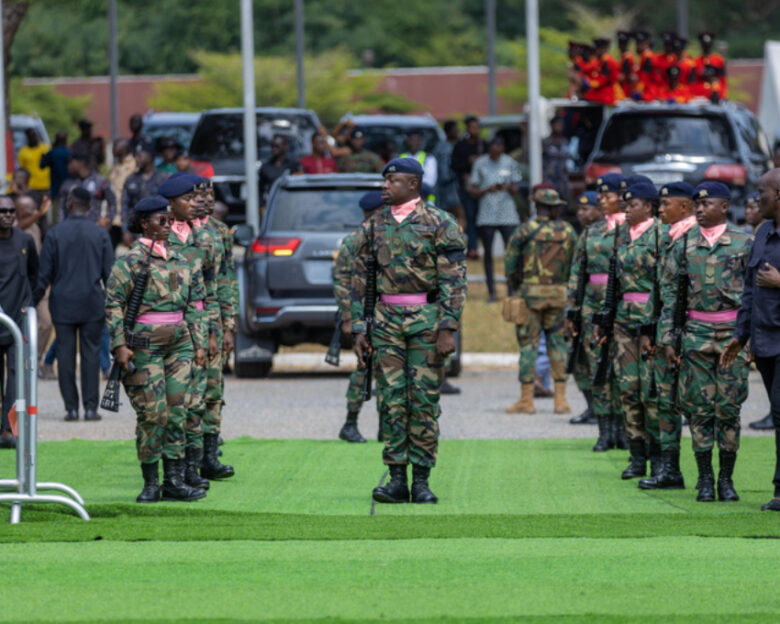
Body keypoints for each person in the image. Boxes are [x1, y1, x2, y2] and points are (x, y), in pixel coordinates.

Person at [351, 157, 466, 504]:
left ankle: (422, 480)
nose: (385, 186)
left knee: (424, 401)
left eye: (393, 181)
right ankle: (397, 478)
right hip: (385, 322)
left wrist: (448, 327)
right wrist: (360, 327)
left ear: (413, 184)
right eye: (384, 181)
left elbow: (454, 281)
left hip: (426, 323)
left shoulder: (440, 223)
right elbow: (360, 281)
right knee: (391, 400)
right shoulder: (374, 226)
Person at [105, 194, 206, 503]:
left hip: (180, 344)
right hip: (143, 347)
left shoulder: (181, 259)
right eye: (161, 221)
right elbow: (113, 306)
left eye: (169, 220)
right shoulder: (129, 262)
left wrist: (199, 342)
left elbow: (195, 304)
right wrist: (119, 345)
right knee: (153, 414)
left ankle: (174, 481)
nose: (167, 225)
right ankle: (151, 483)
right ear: (144, 224)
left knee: (178, 412)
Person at [659, 182, 751, 502]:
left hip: (732, 338)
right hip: (696, 335)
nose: (699, 210)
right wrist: (668, 339)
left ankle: (726, 479)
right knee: (699, 409)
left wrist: (750, 337)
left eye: (706, 204)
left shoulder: (743, 242)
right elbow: (670, 295)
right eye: (696, 205)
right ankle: (704, 479)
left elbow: (753, 295)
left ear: (723, 207)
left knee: (728, 407)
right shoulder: (684, 244)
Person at [160, 174, 233, 486]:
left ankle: (200, 459)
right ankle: (172, 472)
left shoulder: (210, 234)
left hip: (203, 322)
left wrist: (222, 327)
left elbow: (217, 285)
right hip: (171, 326)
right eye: (192, 197)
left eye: (204, 196)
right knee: (175, 401)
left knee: (204, 394)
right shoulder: (161, 234)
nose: (199, 202)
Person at [724, 168, 780, 511]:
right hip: (764, 341)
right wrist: (740, 335)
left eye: (762, 191)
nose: (757, 197)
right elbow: (748, 291)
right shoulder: (761, 233)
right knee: (777, 412)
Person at [34, 188, 113, 422]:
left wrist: (32, 300)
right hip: (91, 301)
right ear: (90, 208)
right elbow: (110, 273)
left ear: (69, 204)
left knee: (65, 356)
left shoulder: (55, 233)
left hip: (63, 301)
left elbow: (43, 273)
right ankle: (90, 408)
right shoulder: (99, 234)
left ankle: (71, 408)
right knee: (91, 353)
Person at [637, 181, 697, 490]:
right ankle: (669, 470)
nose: (660, 209)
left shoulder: (695, 239)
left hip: (690, 335)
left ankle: (711, 478)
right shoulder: (671, 238)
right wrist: (649, 329)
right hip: (664, 333)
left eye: (666, 204)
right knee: (664, 401)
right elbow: (659, 290)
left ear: (685, 207)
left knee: (696, 404)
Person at [603, 182, 660, 480]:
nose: (626, 208)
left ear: (649, 207)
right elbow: (614, 282)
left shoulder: (661, 234)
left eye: (633, 204)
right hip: (624, 322)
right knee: (628, 388)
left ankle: (660, 459)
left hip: (650, 323)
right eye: (625, 203)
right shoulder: (621, 234)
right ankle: (637, 456)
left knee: (651, 390)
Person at [504, 188, 576, 415]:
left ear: (536, 207)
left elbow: (510, 266)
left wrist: (519, 285)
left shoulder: (524, 231)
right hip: (558, 296)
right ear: (553, 207)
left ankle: (526, 401)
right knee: (557, 346)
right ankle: (561, 400)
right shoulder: (567, 230)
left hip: (530, 296)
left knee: (528, 346)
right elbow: (575, 263)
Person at [333, 190, 385, 443]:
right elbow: (343, 280)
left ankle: (386, 425)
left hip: (387, 312)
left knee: (389, 370)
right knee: (364, 369)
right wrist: (349, 316)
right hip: (363, 311)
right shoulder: (355, 240)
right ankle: (350, 423)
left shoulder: (388, 236)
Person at [193, 177, 236, 479]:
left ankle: (209, 454)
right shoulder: (175, 230)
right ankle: (186, 456)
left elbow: (226, 282)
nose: (207, 200)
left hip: (213, 318)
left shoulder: (220, 232)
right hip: (187, 318)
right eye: (199, 195)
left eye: (210, 194)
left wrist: (227, 324)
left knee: (213, 388)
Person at [0, 195, 38, 449]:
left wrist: (29, 303)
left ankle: (7, 430)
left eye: (11, 211)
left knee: (15, 379)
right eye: (2, 211)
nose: (8, 215)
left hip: (18, 321)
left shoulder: (25, 240)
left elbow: (35, 274)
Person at [468, 136, 522, 302]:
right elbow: (473, 190)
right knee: (488, 255)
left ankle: (511, 290)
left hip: (507, 214)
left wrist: (507, 187)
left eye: (500, 148)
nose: (497, 151)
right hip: (487, 214)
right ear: (489, 148)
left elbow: (517, 188)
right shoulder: (480, 163)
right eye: (494, 148)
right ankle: (492, 292)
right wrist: (488, 189)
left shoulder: (510, 162)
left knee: (510, 253)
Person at [566, 191, 603, 426]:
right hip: (584, 306)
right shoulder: (584, 235)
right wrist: (572, 308)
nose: (582, 213)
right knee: (580, 361)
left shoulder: (612, 232)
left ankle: (605, 412)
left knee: (598, 360)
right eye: (580, 209)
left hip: (601, 308)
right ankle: (591, 408)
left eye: (588, 208)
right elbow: (576, 274)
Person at [15, 194, 54, 363]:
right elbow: (19, 226)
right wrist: (38, 214)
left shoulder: (35, 228)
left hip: (37, 284)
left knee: (47, 322)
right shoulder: (11, 227)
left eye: (34, 207)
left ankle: (33, 359)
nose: (33, 211)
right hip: (15, 285)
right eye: (29, 208)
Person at [451, 115, 487, 259]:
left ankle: (483, 246)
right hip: (466, 187)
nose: (475, 130)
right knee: (470, 217)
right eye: (472, 127)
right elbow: (454, 166)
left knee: (482, 218)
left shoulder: (484, 145)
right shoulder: (461, 146)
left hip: (484, 188)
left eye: (477, 127)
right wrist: (469, 163)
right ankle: (472, 248)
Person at [58, 152, 116, 227]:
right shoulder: (67, 184)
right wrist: (62, 226)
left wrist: (108, 220)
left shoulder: (100, 181)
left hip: (95, 227)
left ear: (80, 163)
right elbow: (61, 209)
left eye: (71, 162)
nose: (68, 165)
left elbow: (112, 203)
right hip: (72, 228)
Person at [121, 143, 169, 235]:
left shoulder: (163, 178)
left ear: (150, 156)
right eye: (135, 156)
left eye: (139, 155)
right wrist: (125, 231)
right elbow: (125, 206)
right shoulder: (131, 179)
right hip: (135, 231)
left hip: (158, 230)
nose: (137, 159)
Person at [108, 139, 137, 247]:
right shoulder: (115, 167)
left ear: (125, 148)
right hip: (114, 217)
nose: (113, 149)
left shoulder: (134, 165)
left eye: (117, 146)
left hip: (128, 216)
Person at [259, 134, 301, 204]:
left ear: (285, 146)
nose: (274, 148)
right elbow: (260, 189)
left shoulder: (293, 165)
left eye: (277, 146)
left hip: (290, 203)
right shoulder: (266, 166)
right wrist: (262, 205)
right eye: (272, 146)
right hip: (273, 203)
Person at [434, 120, 462, 220]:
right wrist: (450, 178)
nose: (458, 132)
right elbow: (444, 171)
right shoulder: (445, 148)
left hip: (448, 188)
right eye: (456, 130)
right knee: (457, 215)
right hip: (448, 188)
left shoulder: (448, 145)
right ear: (449, 132)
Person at [542, 116, 570, 202]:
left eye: (561, 125)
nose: (559, 127)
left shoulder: (565, 141)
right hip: (550, 178)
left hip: (563, 179)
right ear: (552, 125)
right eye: (557, 124)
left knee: (563, 203)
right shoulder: (546, 142)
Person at [40, 132, 70, 212]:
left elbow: (42, 165)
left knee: (57, 211)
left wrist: (43, 156)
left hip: (55, 188)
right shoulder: (69, 152)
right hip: (68, 187)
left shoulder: (52, 152)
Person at [17, 128, 50, 200]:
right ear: (27, 138)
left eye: (34, 135)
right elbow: (21, 170)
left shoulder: (45, 148)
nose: (34, 138)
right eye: (30, 136)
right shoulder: (23, 152)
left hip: (46, 185)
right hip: (31, 186)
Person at [695, 32, 727, 101]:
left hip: (715, 92)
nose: (706, 48)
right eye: (704, 45)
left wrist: (724, 95)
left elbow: (723, 80)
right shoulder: (695, 61)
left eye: (708, 45)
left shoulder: (719, 60)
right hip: (699, 94)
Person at [617, 31, 637, 100]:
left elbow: (623, 77)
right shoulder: (624, 56)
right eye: (620, 43)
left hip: (626, 90)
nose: (620, 45)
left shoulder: (627, 57)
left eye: (623, 43)